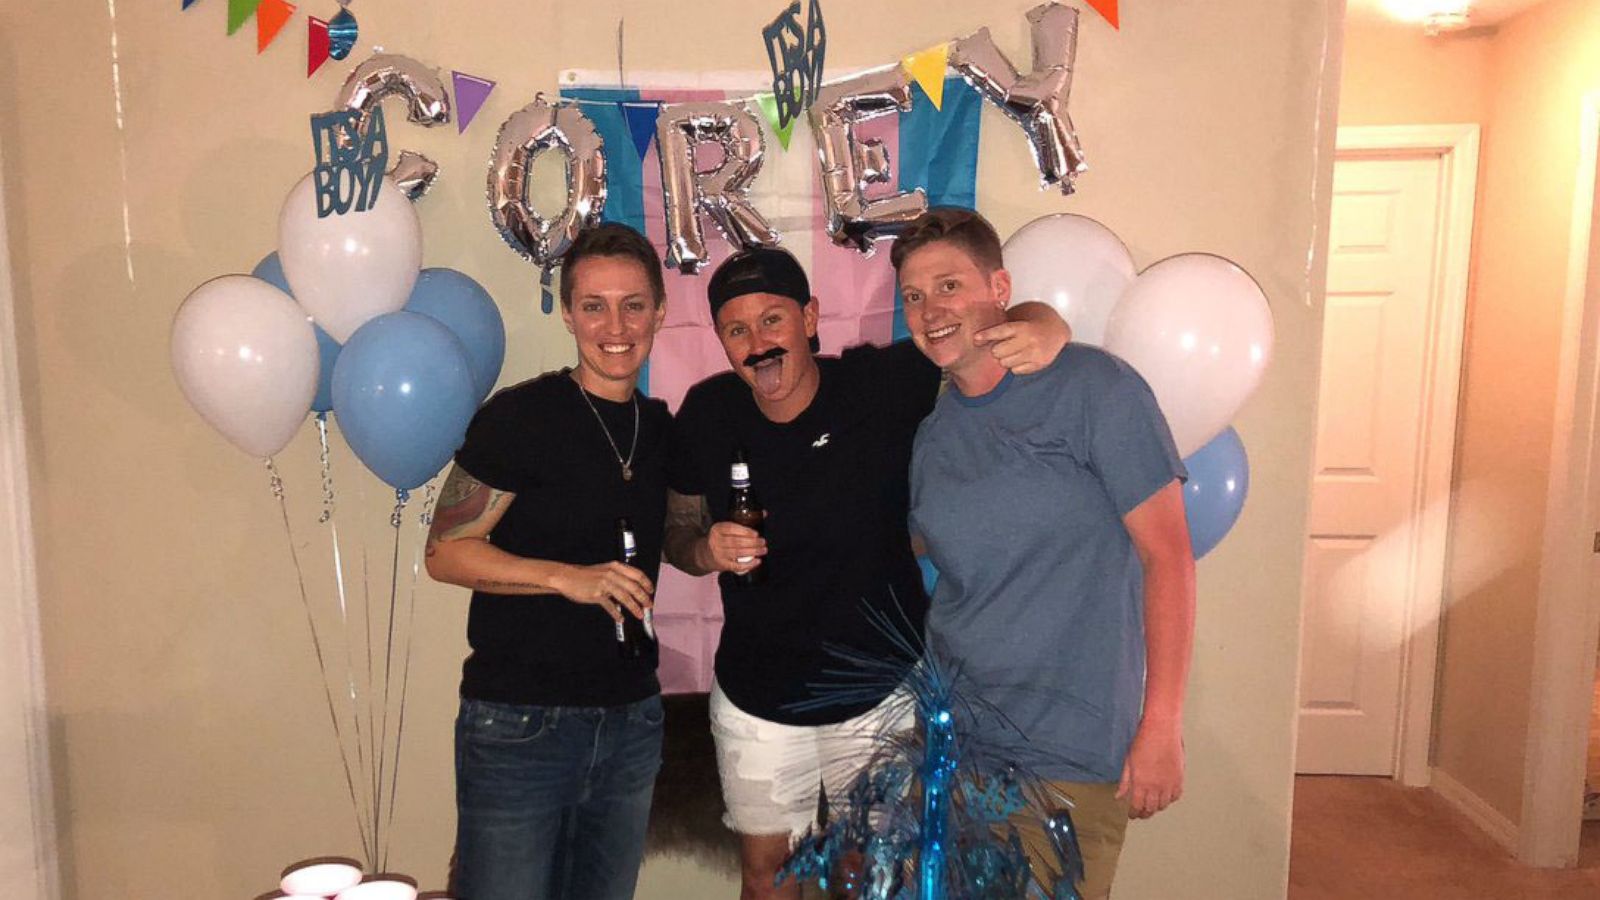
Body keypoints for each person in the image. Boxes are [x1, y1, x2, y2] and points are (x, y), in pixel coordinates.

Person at [662, 245, 1069, 900]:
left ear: (810, 317)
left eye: (773, 320)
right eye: (736, 330)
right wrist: (704, 550)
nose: (758, 343)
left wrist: (1046, 323)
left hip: (876, 694)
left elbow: (982, 329)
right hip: (756, 698)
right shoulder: (708, 414)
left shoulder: (877, 386)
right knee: (767, 879)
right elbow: (675, 533)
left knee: (868, 878)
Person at [895, 208, 1197, 900]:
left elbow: (1170, 559)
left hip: (1068, 753)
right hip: (952, 748)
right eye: (913, 296)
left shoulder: (1095, 388)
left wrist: (1163, 723)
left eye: (949, 286)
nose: (930, 310)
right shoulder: (934, 434)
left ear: (999, 286)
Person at [425, 223, 671, 900]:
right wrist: (566, 578)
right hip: (519, 725)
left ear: (659, 311)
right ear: (569, 314)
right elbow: (445, 553)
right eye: (594, 305)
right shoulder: (519, 419)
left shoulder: (661, 429)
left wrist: (718, 549)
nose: (615, 325)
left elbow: (679, 541)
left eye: (633, 304)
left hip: (629, 722)